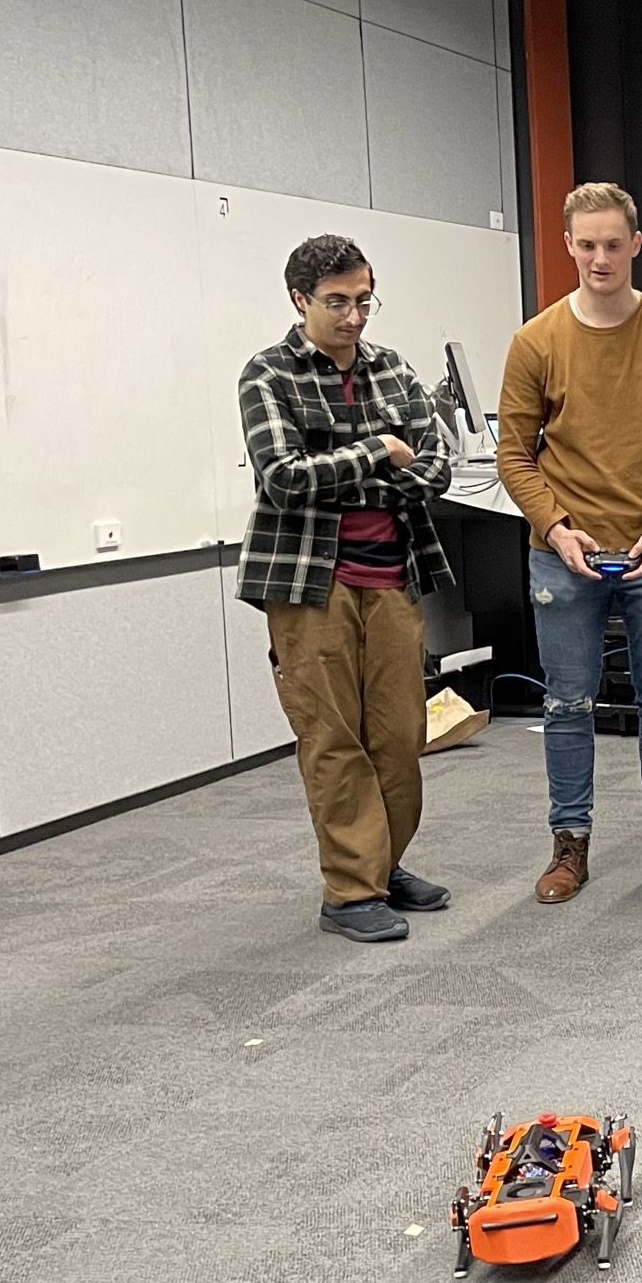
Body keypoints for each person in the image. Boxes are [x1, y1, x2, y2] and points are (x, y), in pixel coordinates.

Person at [496, 181, 642, 903]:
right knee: (566, 702)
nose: (599, 257)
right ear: (568, 245)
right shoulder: (535, 342)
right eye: (586, 245)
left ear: (636, 245)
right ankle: (570, 845)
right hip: (563, 553)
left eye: (612, 244)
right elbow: (514, 455)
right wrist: (555, 527)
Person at [236, 235, 456, 943]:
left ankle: (382, 868)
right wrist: (378, 452)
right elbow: (283, 479)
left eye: (364, 300)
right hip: (308, 585)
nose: (355, 316)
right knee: (333, 740)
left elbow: (436, 469)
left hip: (393, 576)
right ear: (300, 300)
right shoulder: (268, 375)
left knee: (398, 736)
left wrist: (356, 463)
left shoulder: (393, 369)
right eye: (337, 302)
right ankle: (349, 891)